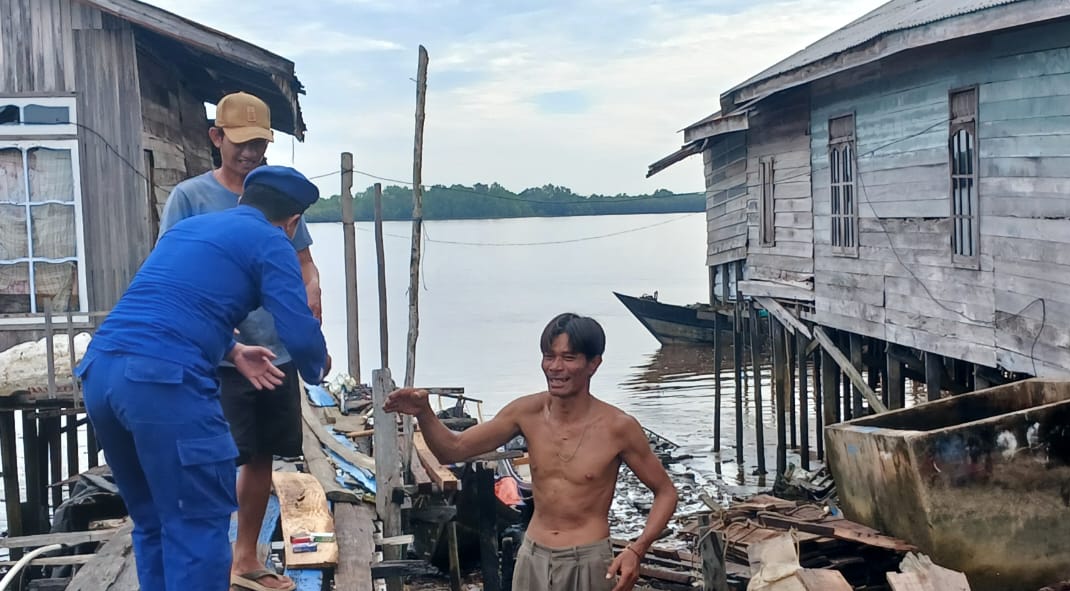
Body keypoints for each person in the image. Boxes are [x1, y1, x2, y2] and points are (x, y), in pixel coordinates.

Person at [75, 166, 329, 591]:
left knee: (154, 521)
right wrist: (317, 366)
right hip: (162, 382)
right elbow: (299, 333)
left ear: (243, 201)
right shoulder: (272, 240)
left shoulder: (188, 229)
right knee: (197, 525)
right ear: (293, 221)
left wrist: (232, 350)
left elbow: (165, 303)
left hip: (101, 371)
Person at [384, 313, 677, 591]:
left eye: (568, 358)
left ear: (593, 364)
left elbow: (665, 492)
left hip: (588, 560)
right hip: (533, 556)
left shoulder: (618, 427)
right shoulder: (527, 412)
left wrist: (636, 549)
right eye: (549, 356)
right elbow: (452, 449)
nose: (555, 367)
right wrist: (424, 413)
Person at [158, 91, 320, 591]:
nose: (250, 153)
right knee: (218, 457)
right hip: (222, 355)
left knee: (262, 455)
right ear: (216, 138)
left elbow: (305, 263)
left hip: (276, 348)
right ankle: (209, 565)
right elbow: (172, 269)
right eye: (240, 142)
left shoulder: (276, 195)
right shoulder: (190, 198)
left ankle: (245, 558)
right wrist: (220, 334)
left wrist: (312, 295)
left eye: (259, 144)